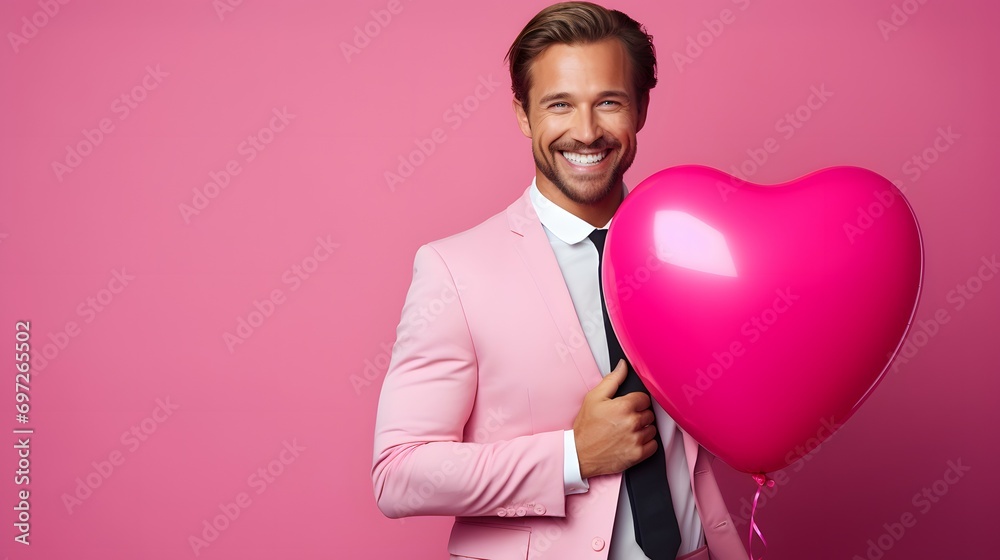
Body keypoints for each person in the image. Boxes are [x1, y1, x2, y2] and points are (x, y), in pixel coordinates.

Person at [372, 3, 745, 558]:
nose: (587, 131)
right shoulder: (454, 271)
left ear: (641, 108)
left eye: (609, 102)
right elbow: (399, 475)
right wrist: (573, 455)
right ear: (523, 115)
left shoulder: (696, 252)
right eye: (559, 104)